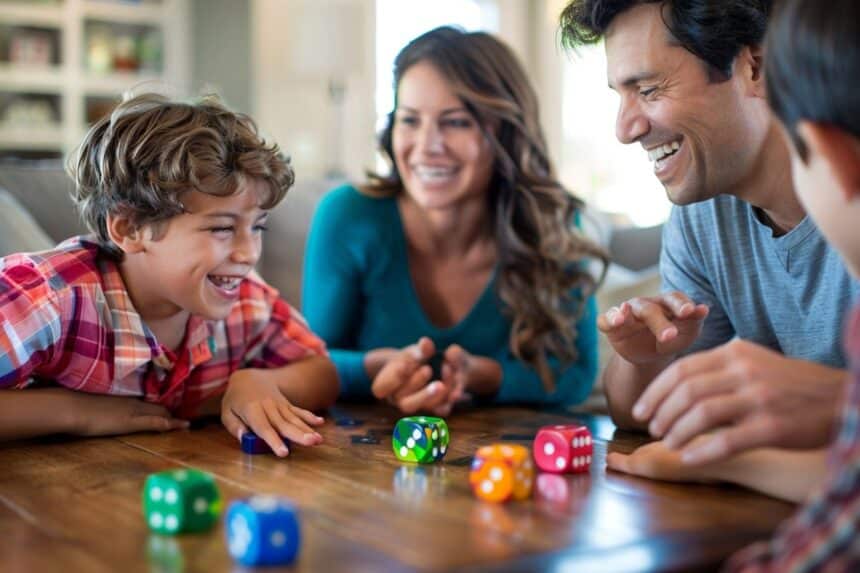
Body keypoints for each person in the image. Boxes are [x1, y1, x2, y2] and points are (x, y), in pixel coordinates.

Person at [610, 0, 860, 568]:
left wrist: (829, 402)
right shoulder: (702, 217)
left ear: (754, 66)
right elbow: (656, 412)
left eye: (647, 88)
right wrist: (642, 360)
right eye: (618, 96)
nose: (624, 128)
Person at [0, 93, 339, 456]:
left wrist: (258, 382)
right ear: (130, 229)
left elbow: (322, 371)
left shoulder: (246, 301)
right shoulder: (47, 296)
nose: (249, 253)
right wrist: (75, 413)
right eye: (222, 228)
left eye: (258, 228)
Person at [302, 26, 607, 415]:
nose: (428, 146)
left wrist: (485, 376)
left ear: (507, 134)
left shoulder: (553, 226)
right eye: (410, 120)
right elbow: (308, 361)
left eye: (457, 122)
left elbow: (576, 375)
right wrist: (377, 370)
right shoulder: (347, 215)